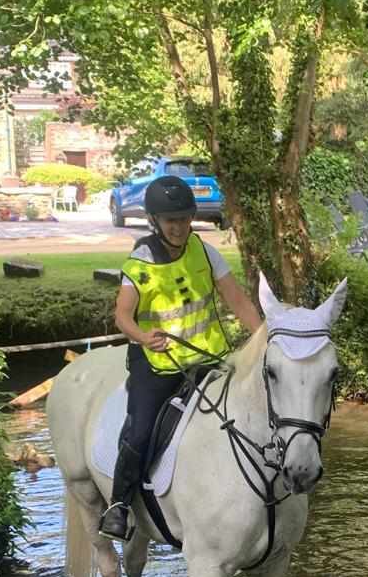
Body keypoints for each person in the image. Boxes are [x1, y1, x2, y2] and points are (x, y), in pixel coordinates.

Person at [99, 174, 262, 539]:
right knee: (139, 432)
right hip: (158, 362)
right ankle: (119, 506)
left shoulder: (205, 251)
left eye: (185, 219)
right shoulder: (140, 261)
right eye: (171, 221)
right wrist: (142, 336)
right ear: (155, 221)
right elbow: (122, 315)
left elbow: (237, 300)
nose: (179, 227)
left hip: (209, 358)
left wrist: (265, 338)